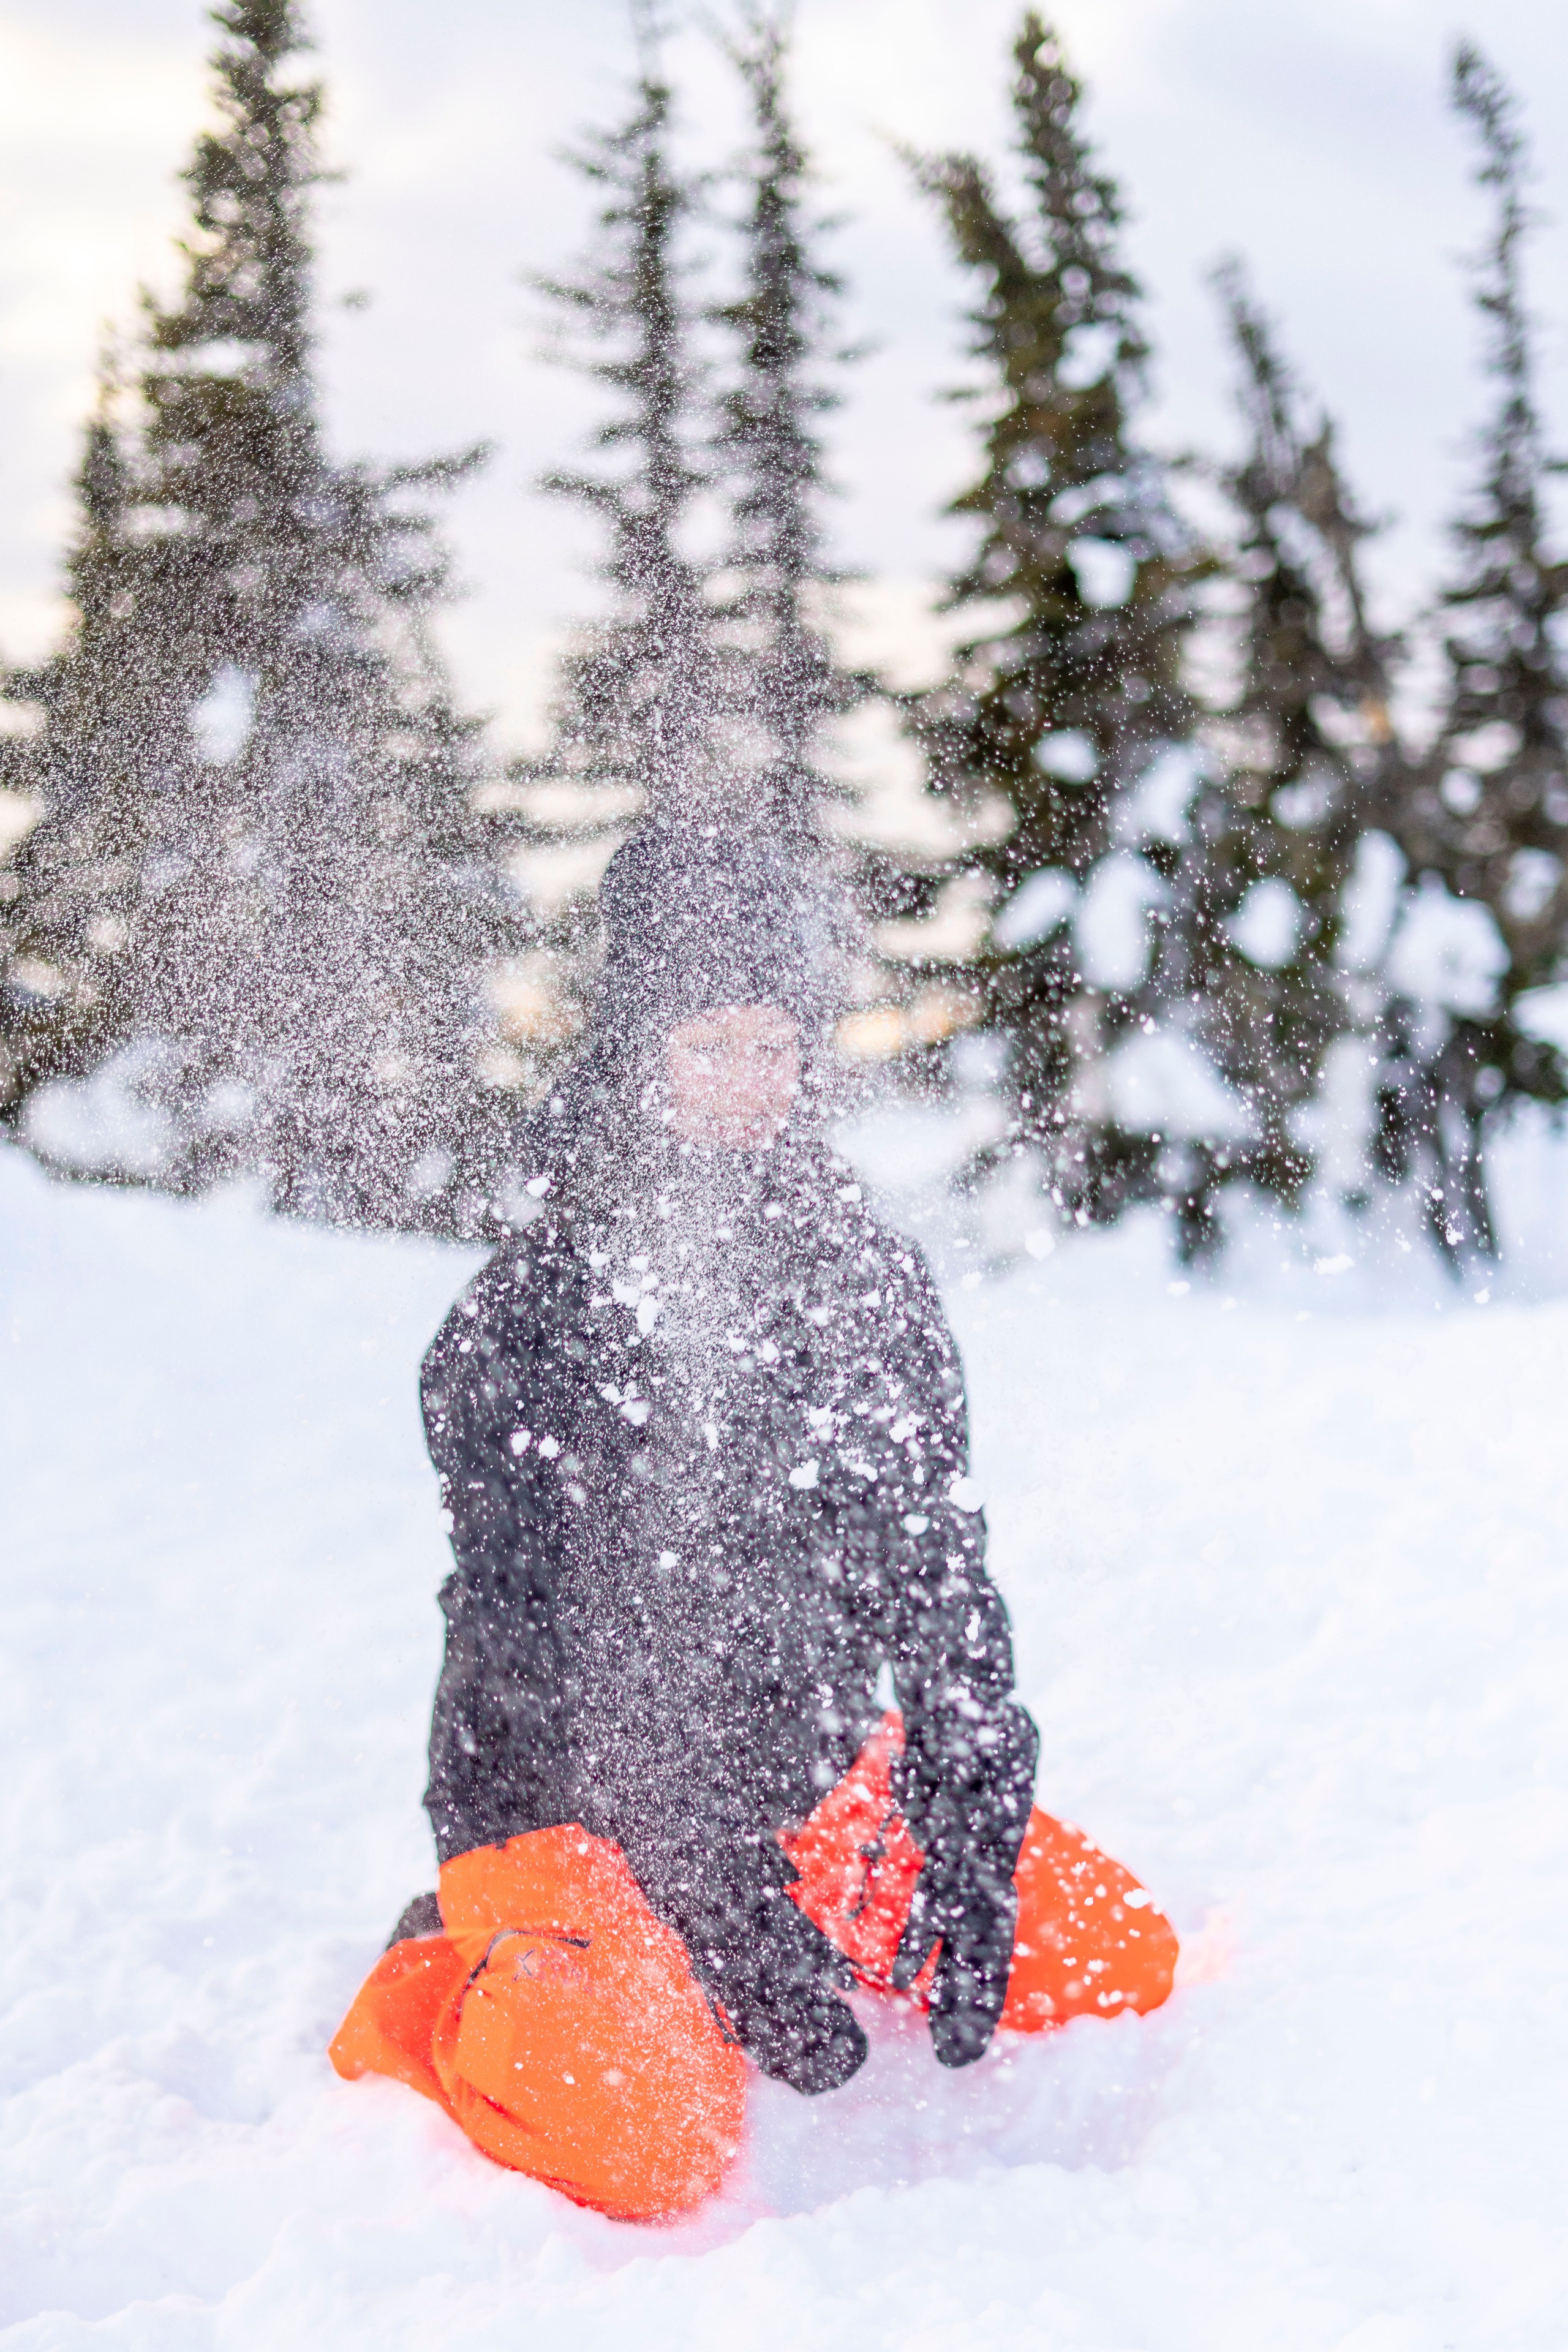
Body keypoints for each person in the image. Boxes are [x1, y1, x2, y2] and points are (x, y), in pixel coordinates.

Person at [330, 827, 1177, 2221]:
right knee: (648, 2139)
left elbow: (935, 1564)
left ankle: (743, 1917)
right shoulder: (531, 1315)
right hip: (567, 1811)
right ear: (634, 1055)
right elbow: (534, 1656)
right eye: (708, 1044)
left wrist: (967, 1796)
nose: (749, 1082)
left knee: (1116, 1960)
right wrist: (706, 1890)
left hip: (808, 1778)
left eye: (775, 1044)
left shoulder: (863, 1278)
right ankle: (445, 1973)